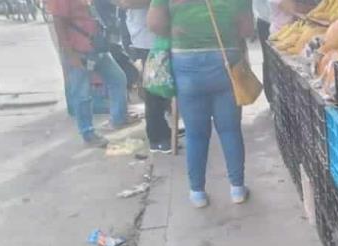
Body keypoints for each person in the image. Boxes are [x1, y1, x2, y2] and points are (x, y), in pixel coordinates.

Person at [148, 0, 254, 207]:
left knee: (195, 134)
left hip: (185, 63)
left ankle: (197, 193)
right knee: (230, 130)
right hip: (225, 60)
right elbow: (246, 29)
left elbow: (154, 24)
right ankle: (237, 189)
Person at [47, 0, 139, 147]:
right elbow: (58, 21)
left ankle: (118, 118)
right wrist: (70, 54)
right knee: (82, 94)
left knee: (118, 78)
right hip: (78, 50)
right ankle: (88, 133)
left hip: (95, 47)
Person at [116, 0, 173, 153]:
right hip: (149, 39)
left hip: (158, 36)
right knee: (156, 89)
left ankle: (163, 131)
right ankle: (158, 137)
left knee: (161, 88)